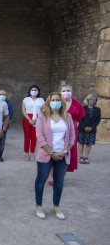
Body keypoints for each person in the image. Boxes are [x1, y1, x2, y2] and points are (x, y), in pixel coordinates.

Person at [34, 92, 75, 220]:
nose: (55, 102)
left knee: (59, 182)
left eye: (58, 100)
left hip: (62, 155)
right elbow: (39, 136)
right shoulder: (42, 116)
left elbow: (72, 137)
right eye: (53, 100)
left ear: (61, 102)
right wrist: (51, 153)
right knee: (41, 180)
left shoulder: (67, 117)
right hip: (46, 154)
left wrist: (65, 151)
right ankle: (39, 205)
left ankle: (56, 205)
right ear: (49, 102)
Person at [60, 83, 85, 172]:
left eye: (68, 91)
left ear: (72, 92)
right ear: (60, 92)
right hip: (58, 129)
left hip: (72, 130)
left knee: (69, 150)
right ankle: (52, 174)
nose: (66, 92)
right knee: (57, 148)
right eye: (63, 91)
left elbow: (80, 116)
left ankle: (63, 171)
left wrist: (75, 126)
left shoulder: (76, 103)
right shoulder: (56, 101)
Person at [22, 85, 45, 161]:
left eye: (35, 90)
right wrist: (29, 119)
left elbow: (43, 111)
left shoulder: (41, 100)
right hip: (27, 118)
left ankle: (32, 153)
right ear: (30, 91)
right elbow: (23, 110)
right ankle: (26, 153)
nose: (34, 91)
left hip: (38, 118)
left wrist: (37, 119)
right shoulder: (26, 99)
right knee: (27, 136)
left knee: (34, 137)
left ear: (38, 91)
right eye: (32, 90)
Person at [78, 94, 101, 164]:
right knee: (81, 143)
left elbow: (98, 119)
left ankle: (86, 157)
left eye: (94, 99)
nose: (92, 100)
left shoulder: (98, 109)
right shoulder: (82, 108)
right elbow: (79, 118)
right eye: (90, 99)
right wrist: (84, 127)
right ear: (87, 100)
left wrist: (91, 127)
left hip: (92, 130)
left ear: (96, 101)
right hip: (82, 129)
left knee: (89, 144)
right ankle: (81, 157)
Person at [0, 89, 13, 162]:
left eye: (4, 95)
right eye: (0, 94)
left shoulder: (8, 104)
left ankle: (0, 155)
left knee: (2, 142)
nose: (2, 96)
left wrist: (4, 127)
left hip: (4, 127)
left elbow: (10, 116)